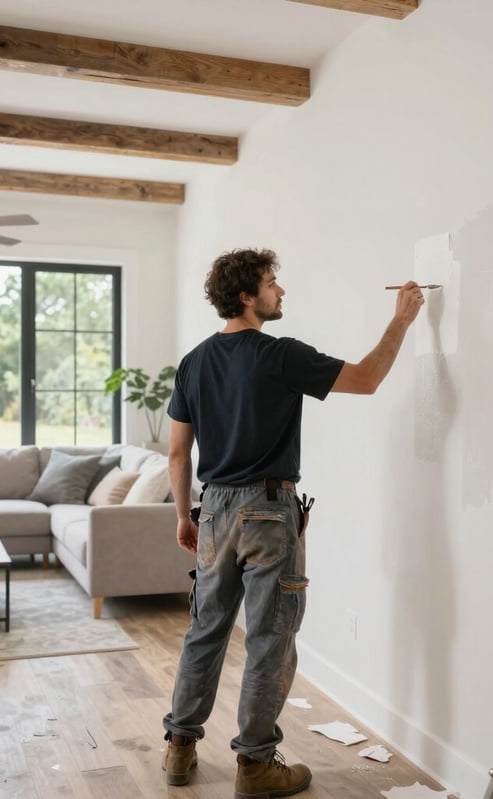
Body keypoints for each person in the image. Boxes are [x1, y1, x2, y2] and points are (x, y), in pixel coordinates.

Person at [161, 248, 424, 798]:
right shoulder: (277, 355)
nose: (281, 292)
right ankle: (255, 766)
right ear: (246, 296)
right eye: (272, 283)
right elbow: (368, 379)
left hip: (212, 510)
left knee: (205, 631)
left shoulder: (194, 362)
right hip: (267, 511)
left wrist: (185, 514)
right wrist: (400, 321)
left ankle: (179, 750)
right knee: (269, 639)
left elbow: (178, 453)